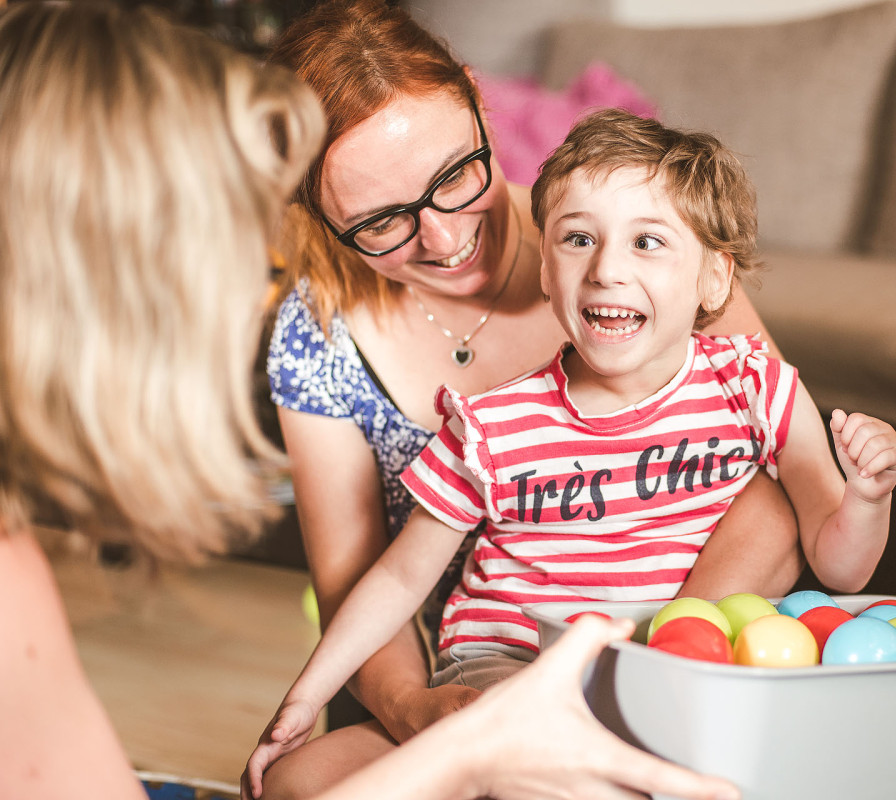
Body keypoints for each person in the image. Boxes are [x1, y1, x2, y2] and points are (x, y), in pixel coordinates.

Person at [0, 5, 740, 800]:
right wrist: (449, 729)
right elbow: (367, 580)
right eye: (381, 223)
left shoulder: (630, 236)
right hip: (474, 675)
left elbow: (777, 475)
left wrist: (656, 668)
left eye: (457, 174)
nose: (443, 234)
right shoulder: (320, 330)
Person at [245, 108, 896, 790]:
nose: (607, 269)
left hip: (666, 668)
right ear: (545, 273)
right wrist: (303, 701)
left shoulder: (757, 386)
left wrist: (866, 497)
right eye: (578, 239)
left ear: (715, 279)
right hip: (505, 667)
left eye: (647, 242)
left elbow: (842, 567)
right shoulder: (488, 425)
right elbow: (396, 579)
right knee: (300, 777)